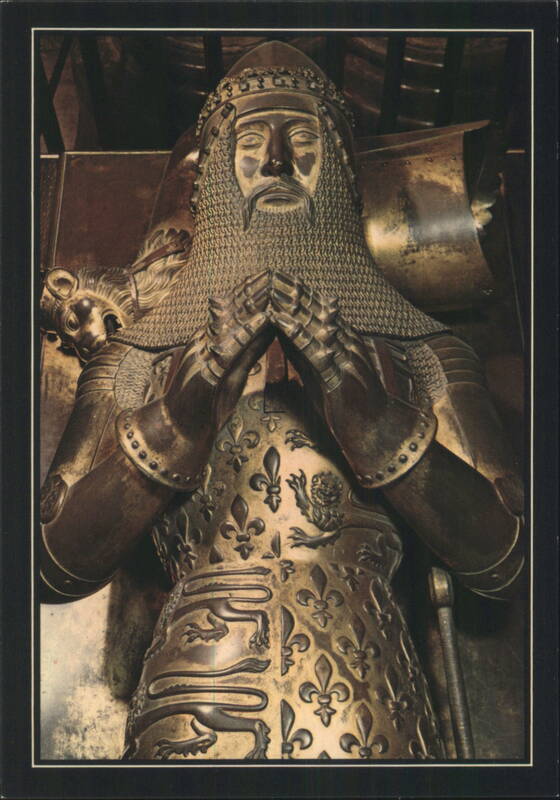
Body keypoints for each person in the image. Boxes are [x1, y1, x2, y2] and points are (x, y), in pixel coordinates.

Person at [40, 41, 524, 760]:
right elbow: (53, 563)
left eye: (303, 142)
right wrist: (171, 429)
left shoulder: (420, 347)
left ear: (342, 172)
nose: (275, 162)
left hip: (372, 699)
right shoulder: (140, 352)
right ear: (215, 174)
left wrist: (385, 432)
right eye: (250, 144)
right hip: (192, 704)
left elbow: (509, 559)